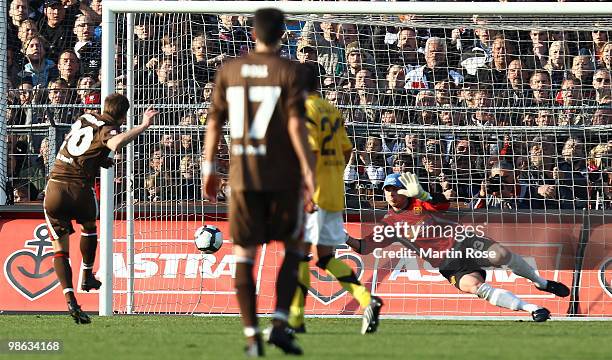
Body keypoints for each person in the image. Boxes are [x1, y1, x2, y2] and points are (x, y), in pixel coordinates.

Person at [201, 8, 315, 357]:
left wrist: (209, 167)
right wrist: (310, 172)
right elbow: (297, 126)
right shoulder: (290, 71)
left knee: (244, 255)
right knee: (296, 247)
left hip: (242, 178)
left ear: (252, 33)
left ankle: (252, 337)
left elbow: (214, 123)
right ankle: (279, 323)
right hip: (282, 176)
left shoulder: (229, 71)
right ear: (283, 34)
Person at [346, 173, 571, 322]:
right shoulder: (389, 224)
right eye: (388, 190)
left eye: (396, 189)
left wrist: (423, 194)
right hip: (447, 264)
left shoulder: (419, 203)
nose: (392, 194)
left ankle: (541, 283)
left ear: (406, 190)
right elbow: (364, 246)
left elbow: (442, 203)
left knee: (501, 255)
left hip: (462, 241)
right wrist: (345, 238)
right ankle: (532, 309)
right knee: (474, 287)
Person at [43, 94, 158, 324]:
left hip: (55, 188)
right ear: (123, 115)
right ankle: (87, 275)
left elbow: (76, 146)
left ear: (104, 107)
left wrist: (99, 159)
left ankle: (70, 300)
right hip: (80, 190)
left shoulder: (85, 117)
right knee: (89, 227)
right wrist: (143, 125)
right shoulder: (109, 128)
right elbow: (115, 143)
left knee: (59, 250)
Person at [288, 63, 383, 335]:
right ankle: (367, 300)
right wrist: (331, 178)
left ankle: (294, 318)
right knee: (325, 258)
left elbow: (311, 152)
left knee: (298, 255)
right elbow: (346, 149)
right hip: (332, 193)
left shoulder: (304, 110)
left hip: (312, 194)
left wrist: (308, 189)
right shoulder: (331, 110)